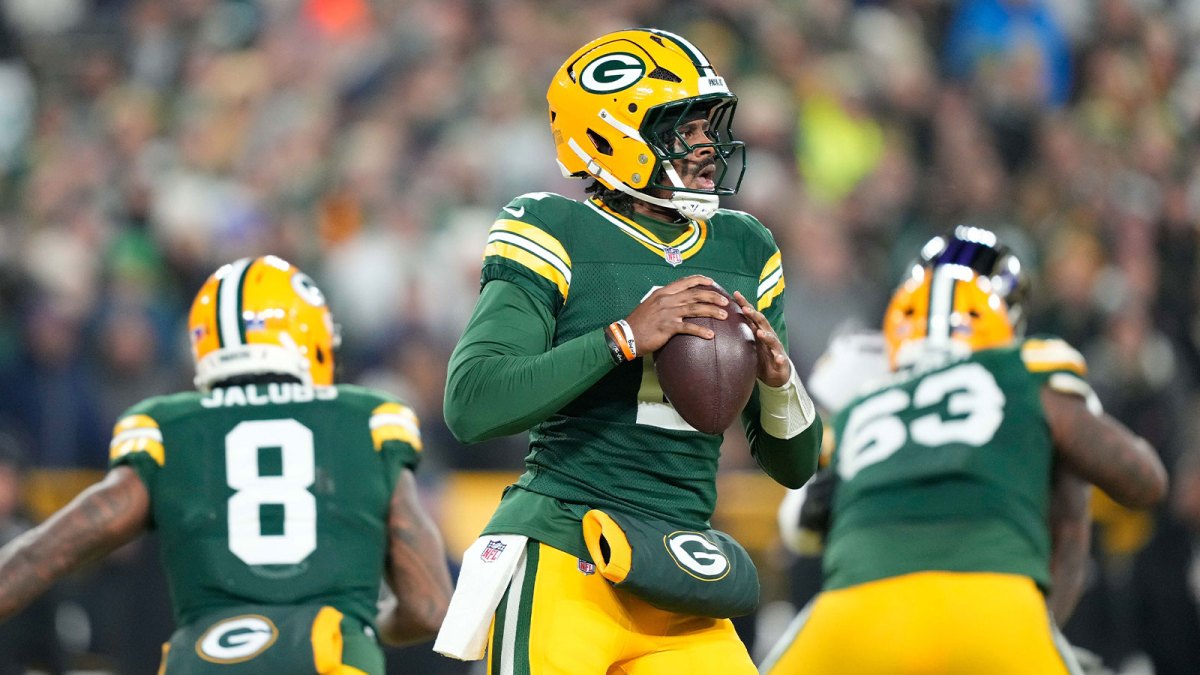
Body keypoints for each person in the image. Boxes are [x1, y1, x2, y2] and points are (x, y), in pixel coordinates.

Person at [433, 28, 822, 674]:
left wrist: (781, 384)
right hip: (566, 550)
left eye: (708, 125)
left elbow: (793, 464)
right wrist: (622, 339)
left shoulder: (746, 247)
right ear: (612, 134)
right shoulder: (553, 228)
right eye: (682, 128)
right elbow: (472, 403)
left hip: (679, 567)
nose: (707, 146)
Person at [0, 256, 452, 674]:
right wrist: (368, 623)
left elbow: (48, 551)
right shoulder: (368, 420)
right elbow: (429, 607)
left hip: (204, 659)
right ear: (310, 336)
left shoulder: (166, 426)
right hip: (328, 656)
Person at [761, 227, 1168, 674]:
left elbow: (798, 524)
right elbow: (1141, 482)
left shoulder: (862, 393)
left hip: (856, 613)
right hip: (993, 606)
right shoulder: (1028, 372)